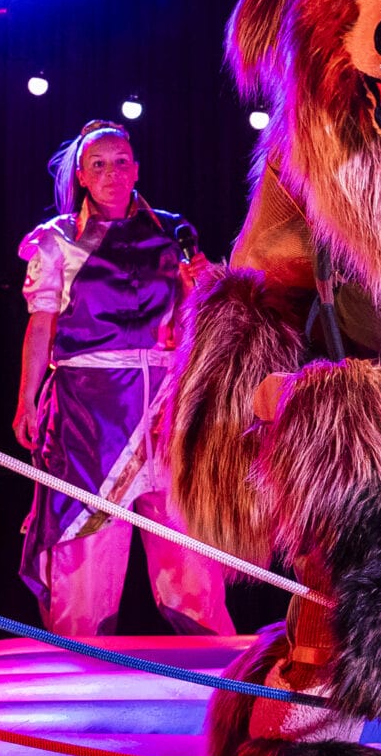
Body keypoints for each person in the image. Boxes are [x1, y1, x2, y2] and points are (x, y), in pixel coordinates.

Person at [12, 120, 234, 637]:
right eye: (98, 165)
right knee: (84, 554)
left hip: (166, 405)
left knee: (189, 554)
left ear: (136, 170)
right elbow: (41, 323)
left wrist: (199, 289)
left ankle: (216, 681)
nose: (111, 173)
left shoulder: (173, 232)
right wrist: (26, 399)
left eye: (120, 163)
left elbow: (196, 328)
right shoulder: (58, 240)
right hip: (91, 413)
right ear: (82, 178)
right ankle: (76, 672)